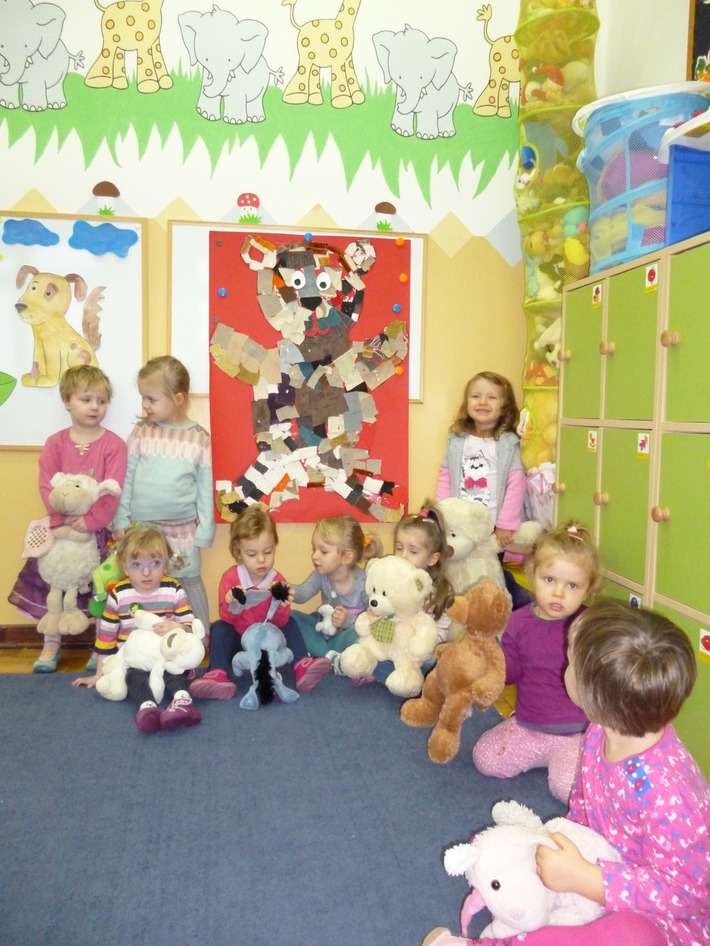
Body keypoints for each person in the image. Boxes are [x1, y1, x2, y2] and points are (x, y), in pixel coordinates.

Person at [420, 601, 710, 946]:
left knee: (628, 937)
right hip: (597, 869)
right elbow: (585, 804)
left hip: (661, 920)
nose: (564, 666)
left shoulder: (670, 792)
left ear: (595, 695)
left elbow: (687, 895)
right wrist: (563, 848)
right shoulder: (600, 731)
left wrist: (586, 879)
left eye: (570, 661)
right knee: (506, 852)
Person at [8, 365, 127, 673]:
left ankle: (101, 644)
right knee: (55, 585)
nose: (95, 407)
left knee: (101, 590)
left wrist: (91, 521)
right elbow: (47, 485)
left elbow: (112, 490)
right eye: (86, 399)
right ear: (66, 401)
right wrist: (61, 519)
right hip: (59, 533)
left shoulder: (114, 445)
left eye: (101, 401)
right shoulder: (55, 443)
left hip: (97, 534)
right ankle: (51, 642)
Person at [471, 521, 601, 803]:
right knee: (485, 759)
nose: (558, 593)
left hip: (577, 734)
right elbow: (510, 672)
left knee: (567, 789)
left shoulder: (590, 625)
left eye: (573, 585)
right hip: (529, 726)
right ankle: (546, 757)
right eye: (549, 580)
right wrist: (488, 659)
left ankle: (574, 760)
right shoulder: (518, 622)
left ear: (588, 588)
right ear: (532, 574)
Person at [111, 355, 214, 634]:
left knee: (188, 582)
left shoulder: (199, 438)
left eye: (152, 399)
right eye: (143, 398)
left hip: (183, 532)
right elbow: (126, 477)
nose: (145, 405)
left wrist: (205, 531)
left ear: (178, 399)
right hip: (141, 530)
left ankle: (200, 639)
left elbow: (205, 488)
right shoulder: (141, 432)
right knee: (142, 583)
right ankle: (135, 639)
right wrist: (120, 518)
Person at [72, 526, 202, 733]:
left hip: (166, 657)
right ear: (125, 567)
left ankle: (183, 701)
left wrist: (177, 627)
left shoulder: (174, 589)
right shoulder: (119, 594)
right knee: (133, 677)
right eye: (136, 565)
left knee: (176, 672)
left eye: (155, 563)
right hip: (135, 659)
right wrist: (100, 673)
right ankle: (147, 707)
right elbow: (106, 637)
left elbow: (190, 627)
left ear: (166, 565)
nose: (146, 572)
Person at [436, 371, 531, 609]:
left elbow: (517, 481)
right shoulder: (457, 438)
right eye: (475, 396)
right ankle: (461, 612)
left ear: (504, 406)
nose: (482, 402)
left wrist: (506, 523)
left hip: (492, 527)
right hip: (460, 525)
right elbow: (446, 474)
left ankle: (493, 612)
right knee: (459, 571)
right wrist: (442, 513)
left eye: (492, 397)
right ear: (466, 402)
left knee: (488, 574)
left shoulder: (508, 442)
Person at [189, 504, 299, 700]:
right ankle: (218, 673)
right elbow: (227, 618)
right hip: (240, 644)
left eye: (268, 552)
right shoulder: (231, 578)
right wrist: (232, 603)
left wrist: (283, 606)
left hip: (268, 645)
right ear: (238, 553)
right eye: (252, 554)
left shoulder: (277, 580)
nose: (261, 560)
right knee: (219, 627)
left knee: (292, 621)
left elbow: (280, 623)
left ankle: (302, 664)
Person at [287, 515, 383, 692]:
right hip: (325, 631)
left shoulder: (364, 581)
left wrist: (347, 621)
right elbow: (303, 593)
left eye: (323, 551)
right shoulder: (320, 575)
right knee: (291, 617)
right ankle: (331, 658)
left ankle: (323, 654)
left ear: (346, 557)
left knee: (367, 632)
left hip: (349, 636)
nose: (315, 556)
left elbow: (373, 618)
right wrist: (287, 590)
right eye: (314, 549)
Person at [394, 504, 454, 642]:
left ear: (432, 559)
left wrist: (422, 645)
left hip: (422, 648)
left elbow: (441, 631)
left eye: (413, 551)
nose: (403, 556)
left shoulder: (441, 591)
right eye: (399, 548)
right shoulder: (392, 580)